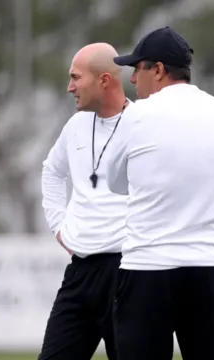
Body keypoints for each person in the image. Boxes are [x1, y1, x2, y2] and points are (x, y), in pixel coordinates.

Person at [106, 26, 214, 360]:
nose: (133, 80)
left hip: (149, 270)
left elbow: (114, 181)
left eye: (137, 69)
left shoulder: (135, 116)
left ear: (159, 70)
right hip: (213, 267)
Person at [38, 42, 132, 360]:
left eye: (76, 77)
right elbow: (52, 172)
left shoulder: (143, 126)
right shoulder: (76, 126)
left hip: (128, 274)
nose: (70, 87)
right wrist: (58, 226)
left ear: (104, 80)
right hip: (80, 274)